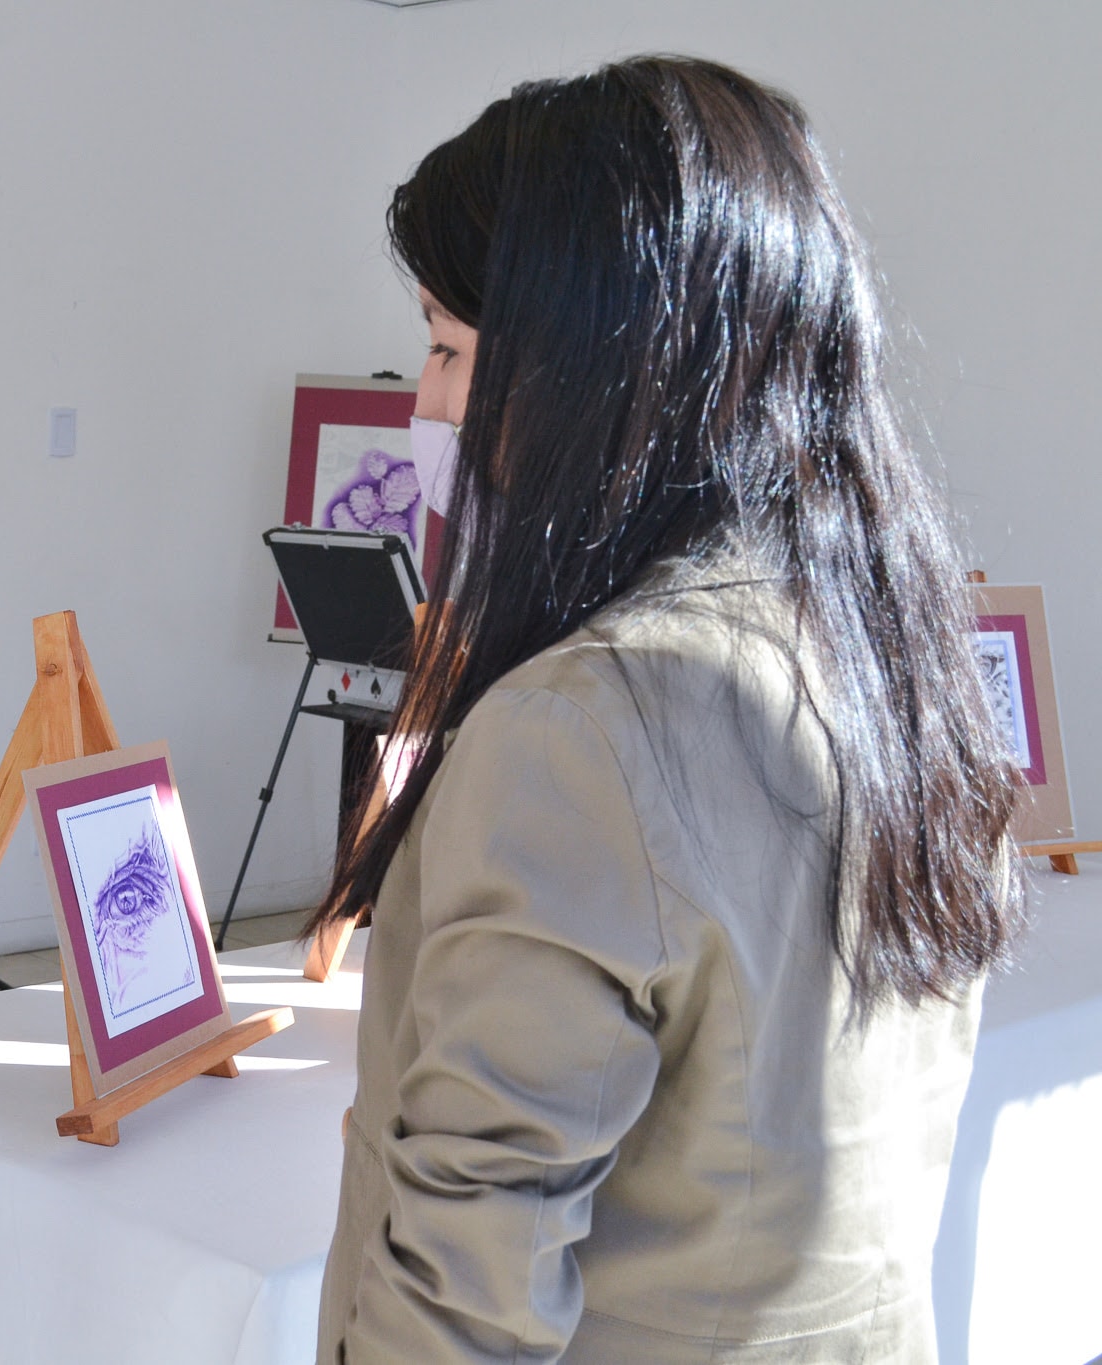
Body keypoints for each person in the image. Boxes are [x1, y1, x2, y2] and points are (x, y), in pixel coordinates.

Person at [312, 56, 1022, 1363]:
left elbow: (466, 1285)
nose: (420, 402)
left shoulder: (586, 723)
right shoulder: (893, 658)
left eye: (447, 344)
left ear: (597, 364)